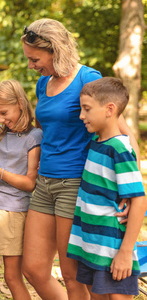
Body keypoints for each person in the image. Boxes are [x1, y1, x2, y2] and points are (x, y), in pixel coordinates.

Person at [20, 18, 141, 300]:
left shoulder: (88, 78)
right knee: (34, 268)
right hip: (44, 182)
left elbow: (123, 132)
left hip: (75, 183)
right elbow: (45, 130)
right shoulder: (42, 83)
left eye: (35, 58)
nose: (31, 65)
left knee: (72, 275)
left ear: (55, 50)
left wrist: (128, 192)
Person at [67, 77, 146, 298]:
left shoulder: (119, 149)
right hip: (92, 246)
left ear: (109, 109)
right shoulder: (97, 142)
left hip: (113, 250)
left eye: (87, 109)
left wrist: (125, 252)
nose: (81, 115)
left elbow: (139, 199)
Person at [0, 79, 42, 300]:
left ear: (20, 104)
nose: (1, 120)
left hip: (13, 212)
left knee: (12, 277)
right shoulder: (0, 131)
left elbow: (29, 183)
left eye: (4, 113)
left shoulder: (34, 137)